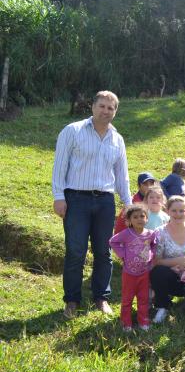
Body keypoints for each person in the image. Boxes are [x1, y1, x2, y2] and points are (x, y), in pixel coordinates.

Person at [52, 90, 131, 318]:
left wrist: (127, 203)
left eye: (111, 108)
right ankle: (72, 300)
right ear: (93, 107)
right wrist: (59, 197)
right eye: (102, 106)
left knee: (103, 252)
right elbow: (60, 167)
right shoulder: (72, 131)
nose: (106, 111)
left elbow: (121, 175)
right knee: (76, 251)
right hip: (76, 199)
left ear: (115, 112)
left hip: (105, 201)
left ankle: (101, 298)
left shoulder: (117, 139)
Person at [150, 196, 185, 323]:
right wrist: (178, 261)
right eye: (174, 210)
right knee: (158, 271)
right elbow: (156, 261)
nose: (178, 214)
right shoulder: (160, 232)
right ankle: (163, 306)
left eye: (181, 211)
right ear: (167, 211)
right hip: (171, 277)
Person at [109, 203, 157, 331]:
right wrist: (122, 254)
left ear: (147, 218)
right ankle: (126, 323)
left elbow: (154, 245)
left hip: (144, 272)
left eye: (142, 216)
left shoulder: (150, 234)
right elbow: (113, 241)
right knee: (127, 299)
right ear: (129, 220)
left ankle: (143, 321)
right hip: (129, 273)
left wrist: (151, 255)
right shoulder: (126, 233)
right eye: (135, 217)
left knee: (143, 299)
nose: (139, 219)